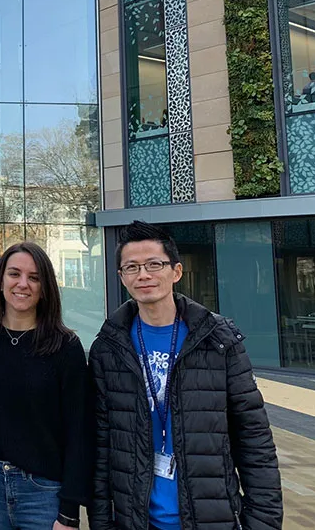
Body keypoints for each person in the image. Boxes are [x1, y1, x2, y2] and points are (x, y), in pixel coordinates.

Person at [89, 221, 282, 530]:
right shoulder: (108, 348)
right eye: (132, 267)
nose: (143, 275)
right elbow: (100, 446)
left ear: (176, 271)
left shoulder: (218, 341)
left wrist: (262, 522)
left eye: (154, 264)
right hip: (136, 520)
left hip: (210, 518)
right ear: (122, 277)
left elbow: (254, 438)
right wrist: (102, 522)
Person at [0, 242, 91, 530]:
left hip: (44, 493)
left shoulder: (65, 347)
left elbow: (79, 431)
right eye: (14, 274)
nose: (22, 284)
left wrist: (69, 510)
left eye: (34, 277)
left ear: (45, 287)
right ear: (1, 281)